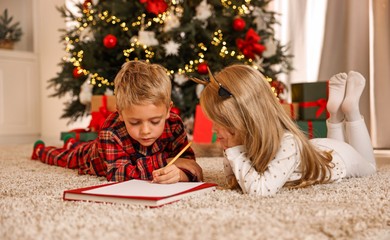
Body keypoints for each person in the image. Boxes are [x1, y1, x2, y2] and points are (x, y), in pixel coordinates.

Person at [196, 64, 376, 196]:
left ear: (242, 119)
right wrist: (231, 148)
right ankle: (335, 113)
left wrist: (233, 149)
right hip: (318, 149)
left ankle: (351, 110)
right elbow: (234, 180)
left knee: (370, 167)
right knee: (338, 143)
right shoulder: (250, 139)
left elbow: (260, 190)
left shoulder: (287, 143)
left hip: (341, 158)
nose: (213, 128)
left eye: (219, 122)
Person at [31, 60, 203, 183]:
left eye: (155, 121)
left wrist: (181, 174)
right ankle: (41, 150)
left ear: (167, 110)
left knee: (76, 146)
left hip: (116, 153)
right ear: (120, 113)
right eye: (135, 122)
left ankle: (71, 143)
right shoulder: (110, 131)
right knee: (67, 157)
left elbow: (187, 162)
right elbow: (117, 173)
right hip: (94, 157)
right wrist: (164, 162)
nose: (145, 131)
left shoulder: (175, 124)